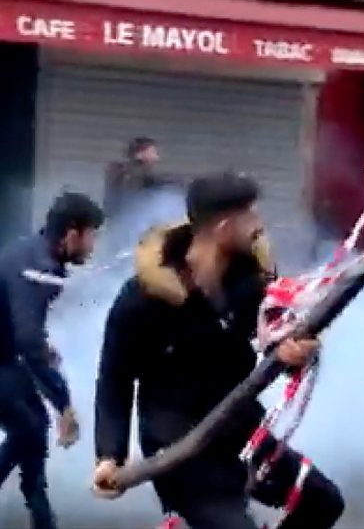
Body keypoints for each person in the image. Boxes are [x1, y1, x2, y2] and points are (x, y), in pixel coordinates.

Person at [91, 172, 344, 529]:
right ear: (225, 227)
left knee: (323, 502)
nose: (259, 225)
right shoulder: (144, 298)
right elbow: (114, 380)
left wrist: (289, 355)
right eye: (250, 216)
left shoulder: (251, 281)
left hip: (239, 430)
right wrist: (109, 454)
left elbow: (273, 338)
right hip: (179, 447)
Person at [0, 192, 104, 529]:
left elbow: (22, 325)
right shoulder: (38, 267)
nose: (93, 245)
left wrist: (39, 346)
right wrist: (63, 403)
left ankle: (13, 513)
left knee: (33, 428)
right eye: (91, 234)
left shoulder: (36, 253)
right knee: (30, 429)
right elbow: (28, 340)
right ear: (72, 234)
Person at [102, 137, 180, 252]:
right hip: (123, 233)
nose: (157, 158)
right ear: (140, 154)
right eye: (153, 153)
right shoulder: (129, 175)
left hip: (121, 231)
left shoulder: (125, 173)